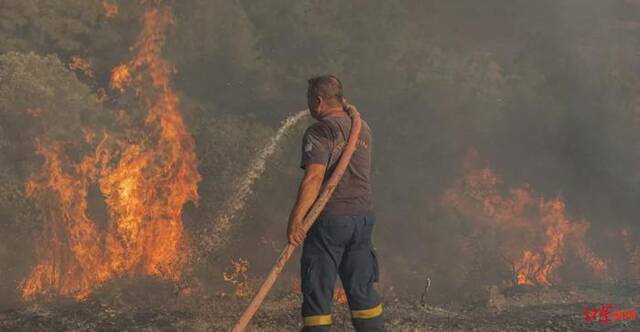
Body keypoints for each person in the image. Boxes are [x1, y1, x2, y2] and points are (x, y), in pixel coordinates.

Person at [287, 75, 384, 331]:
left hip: (330, 222)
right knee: (362, 292)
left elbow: (314, 177)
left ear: (319, 101)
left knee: (318, 294)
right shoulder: (362, 128)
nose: (308, 107)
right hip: (362, 219)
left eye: (310, 100)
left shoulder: (320, 131)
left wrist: (297, 220)